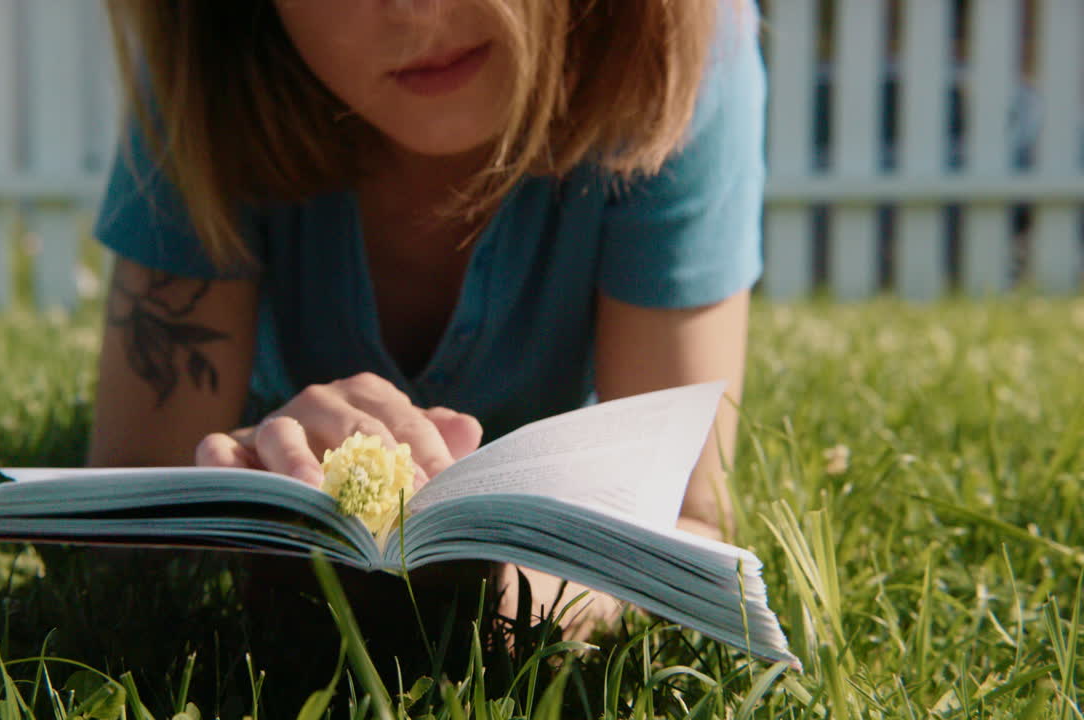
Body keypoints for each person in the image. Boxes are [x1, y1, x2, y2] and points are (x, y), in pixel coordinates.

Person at [88, 0, 765, 639]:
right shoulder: (211, 71)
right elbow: (125, 524)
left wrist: (496, 593)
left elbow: (684, 520)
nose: (413, 8)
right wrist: (264, 516)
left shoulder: (676, 47)